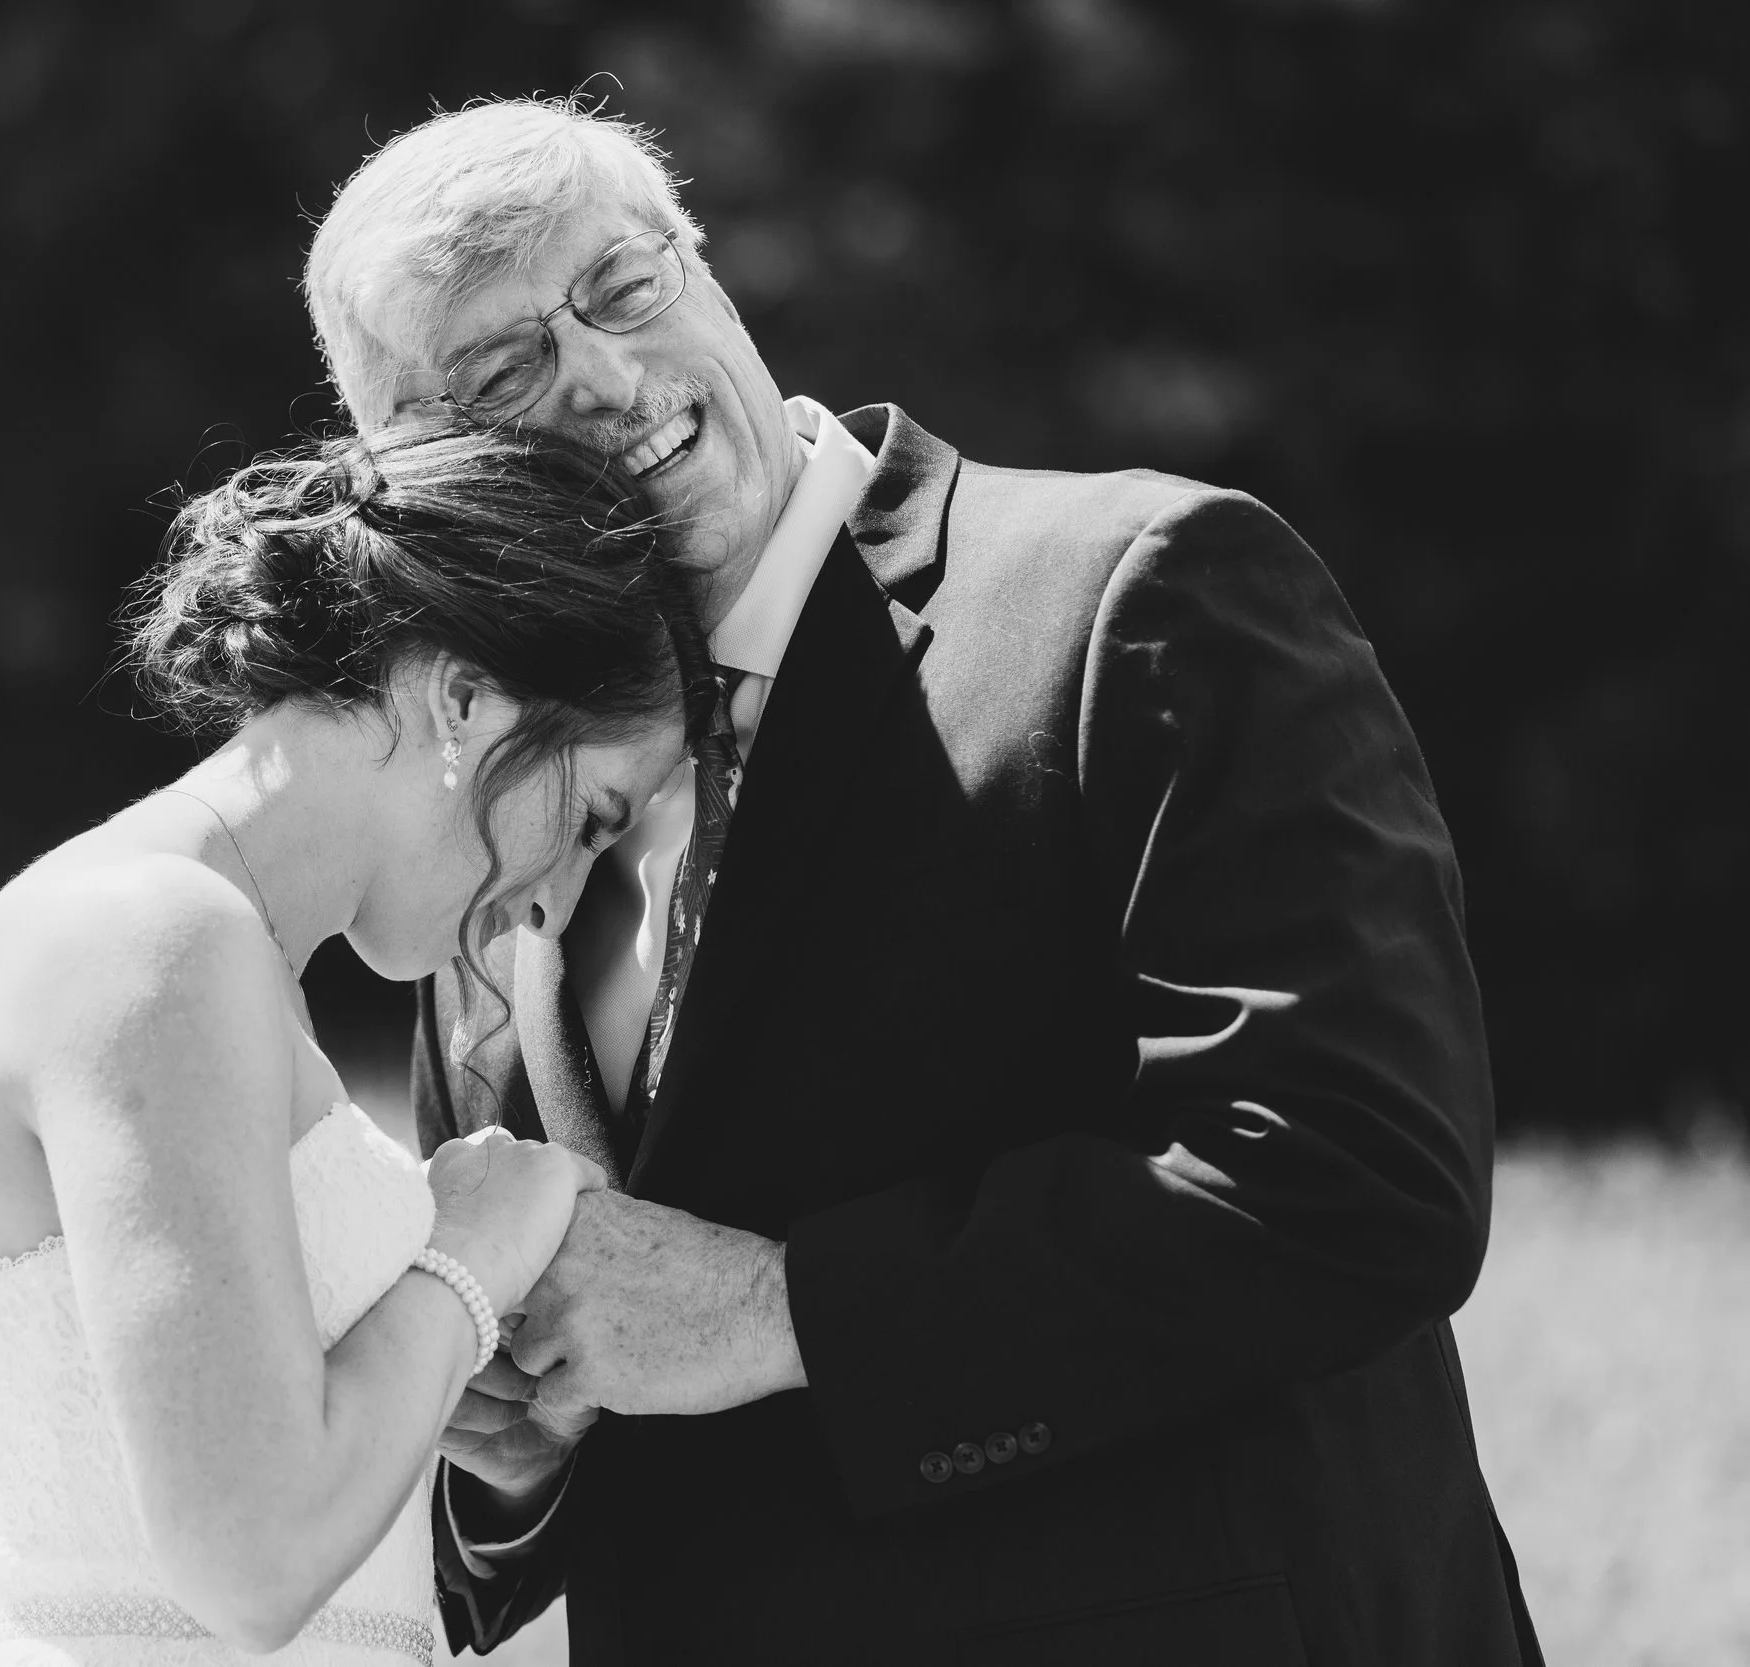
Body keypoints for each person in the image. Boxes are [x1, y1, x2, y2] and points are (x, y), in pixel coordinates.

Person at [300, 100, 1547, 1664]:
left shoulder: (1141, 594)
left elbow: (1357, 1180)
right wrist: (513, 1453)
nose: (609, 380)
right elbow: (537, 1435)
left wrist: (777, 1307)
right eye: (505, 374)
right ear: (420, 471)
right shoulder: (479, 810)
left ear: (708, 268)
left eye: (623, 287)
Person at [0, 422, 706, 1665]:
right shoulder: (153, 935)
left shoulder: (216, 962)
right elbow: (251, 1555)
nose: (558, 898)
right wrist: (468, 1254)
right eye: (591, 814)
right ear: (461, 696)